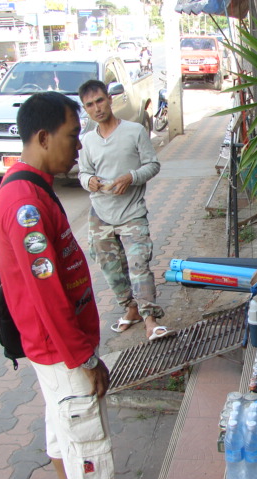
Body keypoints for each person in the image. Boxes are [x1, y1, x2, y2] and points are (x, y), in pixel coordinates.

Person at [0, 91, 114, 479]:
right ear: (43, 138)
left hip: (56, 348)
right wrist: (85, 358)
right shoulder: (24, 203)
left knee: (64, 433)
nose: (79, 146)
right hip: (62, 350)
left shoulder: (30, 185)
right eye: (72, 135)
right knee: (88, 450)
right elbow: (46, 296)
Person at [77, 79, 169, 341]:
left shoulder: (134, 131)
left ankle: (151, 320)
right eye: (89, 105)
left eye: (100, 101)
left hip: (131, 212)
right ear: (85, 109)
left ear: (109, 99)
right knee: (110, 268)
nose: (97, 108)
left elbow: (153, 165)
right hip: (100, 213)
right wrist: (89, 181)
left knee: (139, 265)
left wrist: (131, 177)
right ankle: (131, 308)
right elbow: (83, 173)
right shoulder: (87, 141)